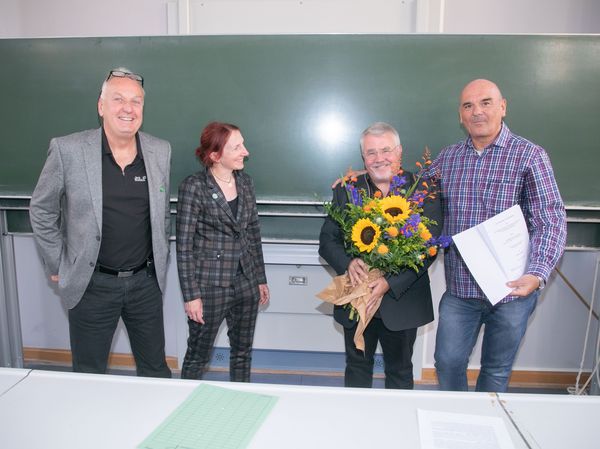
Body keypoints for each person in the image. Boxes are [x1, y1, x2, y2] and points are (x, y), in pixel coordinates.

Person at [29, 67, 172, 377]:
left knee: (156, 371)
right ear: (101, 106)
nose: (128, 108)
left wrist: (159, 263)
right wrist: (57, 264)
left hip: (145, 285)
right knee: (89, 374)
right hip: (91, 286)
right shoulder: (68, 150)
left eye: (136, 101)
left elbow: (161, 217)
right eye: (118, 99)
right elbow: (41, 209)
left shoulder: (160, 151)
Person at [428, 79, 567, 392]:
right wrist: (371, 178)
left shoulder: (530, 156)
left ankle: (486, 432)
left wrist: (538, 273)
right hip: (461, 291)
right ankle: (457, 425)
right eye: (468, 106)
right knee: (447, 362)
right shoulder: (448, 159)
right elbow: (413, 196)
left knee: (495, 372)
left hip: (512, 293)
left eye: (486, 102)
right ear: (460, 116)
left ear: (503, 107)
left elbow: (551, 219)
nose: (477, 111)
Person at [319, 122, 443, 389]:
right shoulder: (348, 190)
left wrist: (389, 282)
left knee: (400, 371)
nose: (379, 159)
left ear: (399, 152)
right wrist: (348, 262)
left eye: (386, 150)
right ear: (363, 158)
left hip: (403, 301)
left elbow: (427, 250)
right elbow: (327, 241)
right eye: (371, 153)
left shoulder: (424, 191)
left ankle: (397, 428)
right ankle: (356, 426)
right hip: (357, 297)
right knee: (356, 366)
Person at [176, 122, 270, 382]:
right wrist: (191, 296)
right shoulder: (194, 186)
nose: (245, 152)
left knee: (243, 353)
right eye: (237, 147)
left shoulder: (246, 183)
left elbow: (252, 232)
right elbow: (183, 246)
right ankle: (186, 409)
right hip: (209, 287)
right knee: (198, 354)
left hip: (246, 282)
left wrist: (260, 278)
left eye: (243, 144)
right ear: (215, 155)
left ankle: (241, 405)